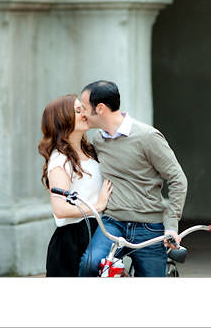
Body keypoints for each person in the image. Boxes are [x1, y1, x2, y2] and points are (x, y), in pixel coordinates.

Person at [77, 80, 188, 277]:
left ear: (100, 108)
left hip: (149, 227)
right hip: (113, 222)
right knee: (90, 265)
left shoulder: (148, 137)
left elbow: (178, 179)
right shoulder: (98, 140)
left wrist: (171, 225)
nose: (82, 113)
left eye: (84, 108)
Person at [38, 94, 113, 277]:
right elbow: (60, 209)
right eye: (78, 111)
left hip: (97, 232)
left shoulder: (91, 151)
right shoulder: (60, 160)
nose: (84, 114)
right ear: (63, 120)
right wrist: (98, 206)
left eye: (83, 109)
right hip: (71, 241)